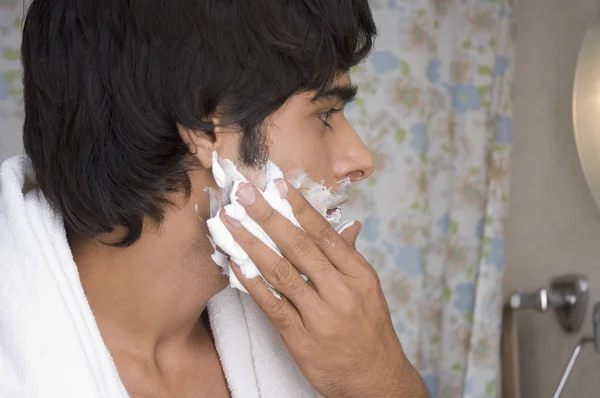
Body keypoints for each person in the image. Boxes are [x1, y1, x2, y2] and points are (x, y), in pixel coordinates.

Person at [0, 0, 428, 397]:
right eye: (326, 114)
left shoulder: (328, 347)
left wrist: (380, 377)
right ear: (207, 131)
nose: (361, 161)